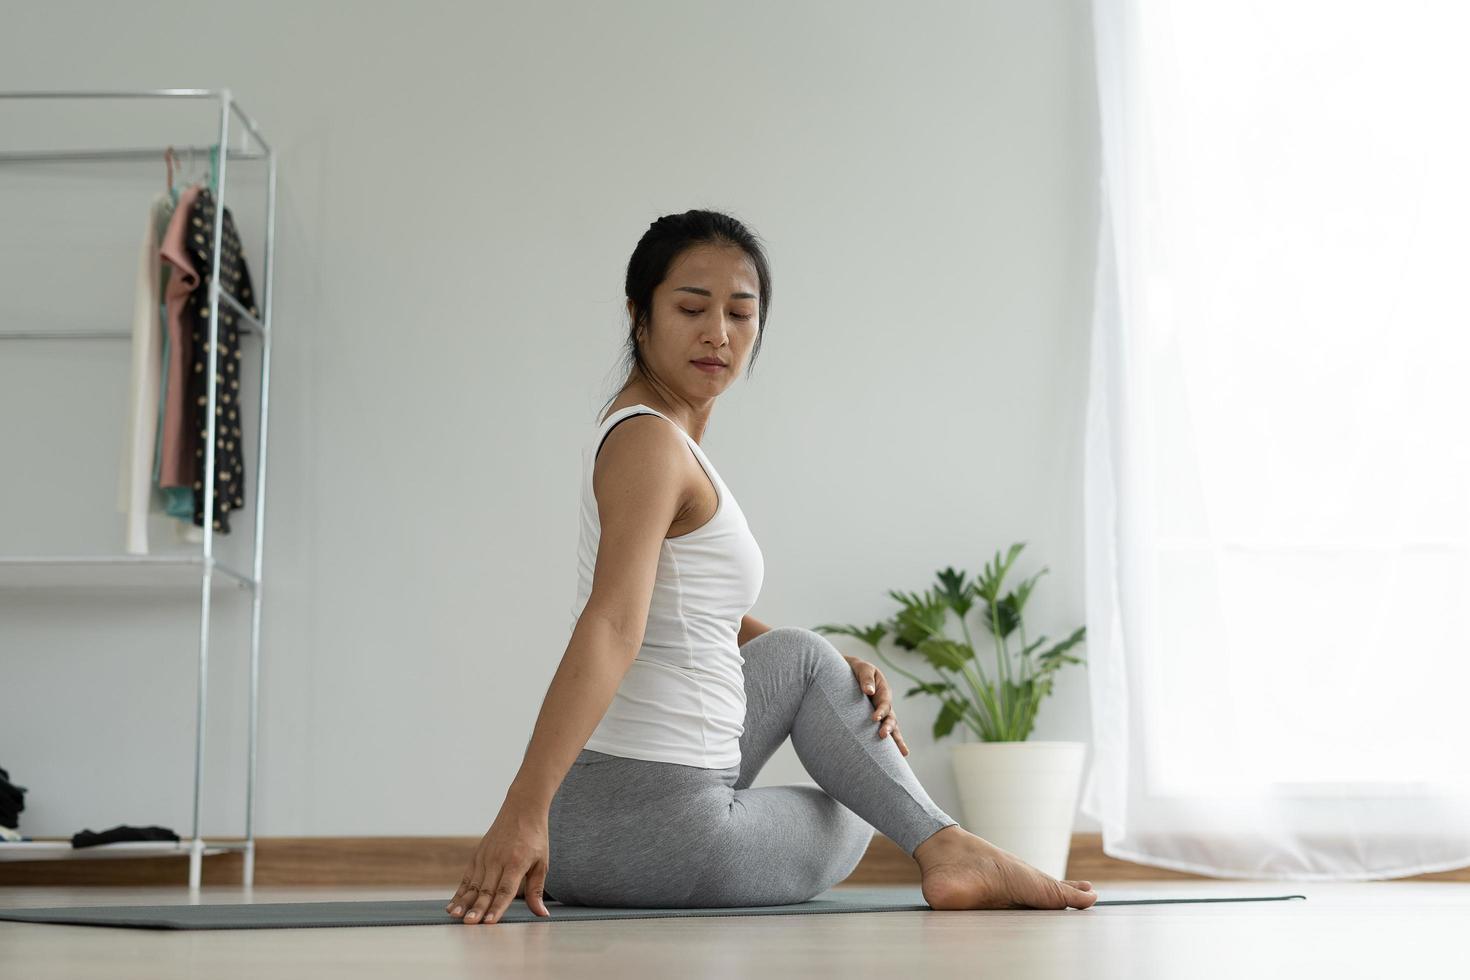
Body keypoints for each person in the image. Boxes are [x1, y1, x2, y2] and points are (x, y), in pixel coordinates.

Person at [445, 210, 1097, 924]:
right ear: (639, 315)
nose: (718, 333)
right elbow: (610, 624)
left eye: (740, 313)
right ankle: (950, 848)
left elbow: (682, 606)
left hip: (609, 814)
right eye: (691, 308)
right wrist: (520, 813)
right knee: (853, 815)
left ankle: (948, 844)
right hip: (651, 827)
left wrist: (824, 673)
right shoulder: (650, 445)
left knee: (809, 659)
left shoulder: (650, 435)